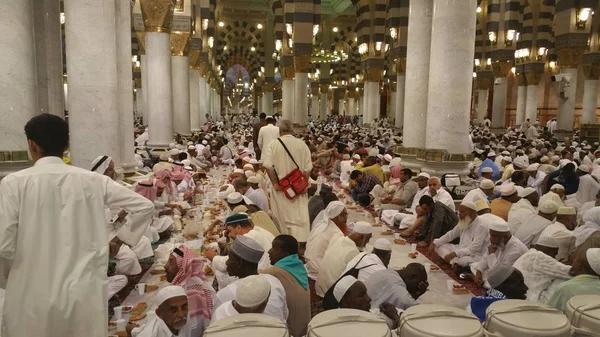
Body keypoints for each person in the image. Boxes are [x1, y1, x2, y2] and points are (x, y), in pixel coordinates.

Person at [0, 114, 154, 337]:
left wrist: (15, 279)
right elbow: (144, 206)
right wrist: (121, 240)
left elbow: (4, 246)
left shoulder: (13, 183)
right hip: (84, 297)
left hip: (31, 297)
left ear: (31, 145)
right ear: (67, 144)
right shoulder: (93, 181)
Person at [213, 236, 289, 322]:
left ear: (239, 263)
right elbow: (284, 314)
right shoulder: (274, 281)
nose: (227, 262)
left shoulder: (225, 294)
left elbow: (216, 323)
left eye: (229, 258)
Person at [262, 120, 313, 245]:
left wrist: (275, 183)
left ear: (279, 131)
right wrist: (303, 184)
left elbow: (268, 166)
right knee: (300, 218)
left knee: (282, 219)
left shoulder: (274, 144)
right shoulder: (302, 144)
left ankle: (285, 247)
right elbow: (308, 169)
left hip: (282, 190)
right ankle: (300, 246)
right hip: (299, 191)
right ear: (292, 130)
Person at [264, 235, 311, 337]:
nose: (269, 251)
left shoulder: (274, 272)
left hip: (291, 333)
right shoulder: (299, 267)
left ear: (285, 254)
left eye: (274, 248)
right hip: (305, 330)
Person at [164, 246, 216, 336]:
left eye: (171, 261)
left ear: (183, 266)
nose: (165, 266)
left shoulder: (188, 292)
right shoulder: (195, 282)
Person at [430, 201, 489, 274]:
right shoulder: (464, 221)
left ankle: (455, 262)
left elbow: (474, 249)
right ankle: (455, 263)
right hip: (460, 249)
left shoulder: (481, 226)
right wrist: (435, 243)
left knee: (463, 261)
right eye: (459, 212)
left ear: (473, 213)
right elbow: (451, 235)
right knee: (439, 246)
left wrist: (454, 254)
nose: (459, 215)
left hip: (475, 255)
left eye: (462, 212)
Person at [315, 222, 373, 297]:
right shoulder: (353, 252)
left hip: (320, 287)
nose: (368, 242)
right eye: (368, 239)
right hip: (331, 293)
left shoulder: (339, 239)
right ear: (361, 238)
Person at [206, 213, 274, 273]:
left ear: (238, 228)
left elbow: (229, 263)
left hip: (263, 276)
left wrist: (213, 257)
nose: (229, 235)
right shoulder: (256, 231)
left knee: (221, 274)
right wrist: (228, 239)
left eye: (229, 231)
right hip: (266, 273)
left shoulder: (249, 238)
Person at [513, 236, 571, 303]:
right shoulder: (539, 256)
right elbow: (570, 272)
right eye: (554, 254)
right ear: (548, 251)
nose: (554, 258)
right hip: (529, 300)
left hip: (517, 297)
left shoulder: (529, 253)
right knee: (562, 278)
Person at [471, 219, 528, 288]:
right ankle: (481, 279)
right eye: (491, 235)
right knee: (474, 266)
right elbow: (485, 258)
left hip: (509, 277)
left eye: (495, 236)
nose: (491, 239)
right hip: (496, 268)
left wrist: (492, 254)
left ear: (505, 236)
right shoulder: (500, 242)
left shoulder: (515, 250)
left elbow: (500, 274)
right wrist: (478, 272)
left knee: (490, 284)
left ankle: (482, 281)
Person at [330, 275, 401, 329]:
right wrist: (396, 321)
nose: (369, 299)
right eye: (361, 295)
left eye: (366, 293)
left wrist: (395, 316)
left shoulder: (379, 314)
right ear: (346, 301)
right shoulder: (337, 327)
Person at [305, 201, 346, 287]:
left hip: (309, 267)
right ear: (336, 215)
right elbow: (337, 258)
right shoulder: (336, 232)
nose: (346, 218)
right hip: (319, 272)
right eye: (343, 215)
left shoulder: (320, 225)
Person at [548, 248, 600, 312]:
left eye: (575, 259)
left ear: (579, 265)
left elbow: (549, 313)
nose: (572, 262)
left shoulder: (566, 289)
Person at [364, 263, 429, 310]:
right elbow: (413, 308)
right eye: (417, 286)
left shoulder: (387, 272)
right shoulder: (396, 285)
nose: (416, 289)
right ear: (412, 276)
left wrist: (416, 294)